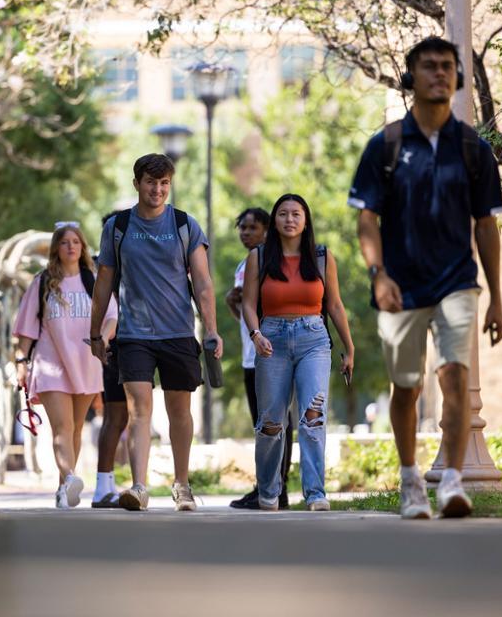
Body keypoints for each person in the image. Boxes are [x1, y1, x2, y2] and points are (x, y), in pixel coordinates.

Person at [348, 36, 502, 519]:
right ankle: (410, 478)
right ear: (411, 77)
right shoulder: (387, 144)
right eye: (429, 66)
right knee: (408, 387)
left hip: (458, 280)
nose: (439, 73)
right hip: (400, 285)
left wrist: (497, 296)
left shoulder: (473, 148)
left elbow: (486, 224)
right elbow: (367, 218)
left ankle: (452, 483)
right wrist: (378, 274)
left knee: (454, 376)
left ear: (457, 78)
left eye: (447, 67)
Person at [90, 153, 223, 512]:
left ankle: (182, 485)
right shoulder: (118, 227)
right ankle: (140, 486)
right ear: (137, 184)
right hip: (134, 334)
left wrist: (211, 329)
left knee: (180, 412)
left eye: (164, 183)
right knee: (139, 411)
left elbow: (203, 283)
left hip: (178, 332)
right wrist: (94, 333)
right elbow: (103, 284)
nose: (158, 190)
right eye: (151, 182)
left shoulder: (184, 224)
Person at [242, 193, 354, 511]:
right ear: (274, 222)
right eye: (283, 214)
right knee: (271, 423)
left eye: (296, 214)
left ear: (305, 221)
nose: (289, 219)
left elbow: (333, 304)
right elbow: (249, 304)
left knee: (312, 419)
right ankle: (268, 490)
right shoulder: (260, 257)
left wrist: (349, 346)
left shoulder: (321, 257)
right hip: (272, 340)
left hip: (314, 341)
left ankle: (315, 493)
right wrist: (255, 334)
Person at [13, 224, 117, 509]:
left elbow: (112, 316)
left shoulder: (94, 280)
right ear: (56, 248)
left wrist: (103, 339)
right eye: (65, 242)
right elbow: (27, 329)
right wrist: (21, 362)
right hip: (51, 364)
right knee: (62, 426)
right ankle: (70, 477)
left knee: (76, 429)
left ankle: (63, 488)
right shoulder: (43, 281)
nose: (71, 247)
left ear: (82, 247)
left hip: (86, 361)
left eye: (76, 242)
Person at [227, 207, 293, 511]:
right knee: (261, 424)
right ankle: (263, 487)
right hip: (249, 355)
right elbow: (246, 313)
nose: (245, 233)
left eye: (252, 228)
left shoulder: (271, 259)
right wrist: (233, 303)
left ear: (267, 230)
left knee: (278, 422)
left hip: (271, 352)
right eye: (242, 228)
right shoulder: (245, 262)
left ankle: (278, 489)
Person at [92, 211, 129, 509]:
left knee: (126, 417)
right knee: (116, 417)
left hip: (140, 344)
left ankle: (110, 485)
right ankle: (103, 487)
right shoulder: (102, 267)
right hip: (113, 348)